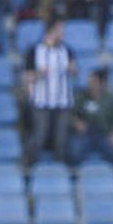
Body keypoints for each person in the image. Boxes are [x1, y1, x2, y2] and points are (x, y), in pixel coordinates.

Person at [24, 17, 77, 165]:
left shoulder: (67, 50)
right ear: (51, 30)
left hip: (63, 101)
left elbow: (74, 71)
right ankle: (29, 169)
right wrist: (38, 74)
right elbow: (27, 77)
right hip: (41, 101)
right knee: (39, 137)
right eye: (60, 29)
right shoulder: (35, 50)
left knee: (61, 139)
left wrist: (73, 70)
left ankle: (60, 170)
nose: (63, 33)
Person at [67, 67, 113, 165]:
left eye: (93, 82)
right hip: (85, 133)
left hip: (104, 134)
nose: (90, 84)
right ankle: (75, 179)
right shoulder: (81, 96)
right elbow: (70, 114)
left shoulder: (112, 99)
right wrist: (76, 122)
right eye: (89, 81)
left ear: (102, 84)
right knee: (73, 154)